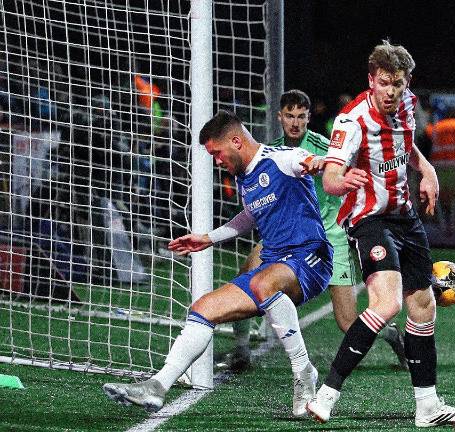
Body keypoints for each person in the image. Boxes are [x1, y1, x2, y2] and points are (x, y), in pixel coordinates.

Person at [102, 111, 333, 416]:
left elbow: (305, 161)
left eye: (216, 153)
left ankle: (303, 371)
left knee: (262, 282)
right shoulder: (244, 178)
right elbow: (250, 216)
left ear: (236, 141)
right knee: (203, 309)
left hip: (310, 257)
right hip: (275, 264)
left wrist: (316, 163)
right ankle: (156, 387)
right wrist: (208, 238)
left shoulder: (282, 159)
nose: (216, 161)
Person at [305, 40, 455, 427]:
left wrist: (428, 170)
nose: (391, 92)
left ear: (406, 82)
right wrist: (341, 178)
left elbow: (408, 146)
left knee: (424, 305)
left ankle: (428, 407)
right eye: (384, 83)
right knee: (386, 305)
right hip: (368, 219)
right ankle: (326, 395)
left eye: (397, 84)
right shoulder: (352, 121)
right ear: (371, 79)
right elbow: (331, 174)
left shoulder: (406, 105)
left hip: (405, 218)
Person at [227, 90, 408, 371]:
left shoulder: (326, 149)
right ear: (280, 117)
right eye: (290, 116)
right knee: (245, 277)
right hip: (288, 236)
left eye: (301, 116)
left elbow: (350, 177)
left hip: (328, 236)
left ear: (309, 117)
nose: (295, 122)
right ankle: (240, 351)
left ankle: (390, 334)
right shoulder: (270, 152)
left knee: (347, 322)